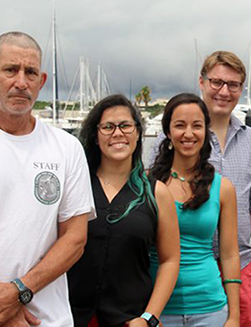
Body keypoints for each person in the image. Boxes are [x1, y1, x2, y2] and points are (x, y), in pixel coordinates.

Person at [0, 31, 95, 327]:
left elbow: (75, 238)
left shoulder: (66, 147)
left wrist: (18, 292)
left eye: (30, 72)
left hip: (46, 320)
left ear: (41, 82)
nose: (21, 82)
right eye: (10, 70)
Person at [150, 51, 251, 327]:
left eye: (233, 85)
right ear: (201, 82)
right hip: (179, 269)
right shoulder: (168, 142)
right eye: (216, 82)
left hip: (239, 264)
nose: (224, 91)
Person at [67, 94, 180, 327]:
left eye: (126, 125)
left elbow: (170, 260)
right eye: (107, 127)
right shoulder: (76, 185)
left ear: (138, 133)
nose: (117, 133)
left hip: (130, 319)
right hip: (70, 316)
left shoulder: (156, 192)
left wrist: (149, 318)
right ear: (96, 136)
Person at [150, 93, 240, 327]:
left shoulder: (223, 188)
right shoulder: (146, 185)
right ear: (168, 132)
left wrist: (234, 316)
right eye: (180, 125)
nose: (188, 134)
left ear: (205, 132)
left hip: (210, 309)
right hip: (156, 310)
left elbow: (230, 254)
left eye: (197, 126)